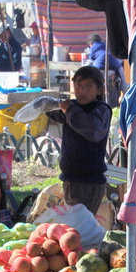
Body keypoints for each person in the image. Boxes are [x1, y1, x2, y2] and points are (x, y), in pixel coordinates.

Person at [46, 66, 111, 215]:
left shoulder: (101, 110)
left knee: (80, 225)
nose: (82, 91)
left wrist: (70, 110)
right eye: (79, 86)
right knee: (74, 225)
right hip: (71, 178)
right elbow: (53, 113)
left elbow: (92, 130)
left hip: (89, 181)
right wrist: (46, 104)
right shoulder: (73, 107)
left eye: (89, 86)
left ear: (99, 90)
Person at [85, 33, 126, 108]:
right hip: (115, 67)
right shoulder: (105, 45)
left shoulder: (93, 47)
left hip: (100, 69)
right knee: (118, 89)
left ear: (91, 43)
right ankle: (125, 95)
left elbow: (89, 62)